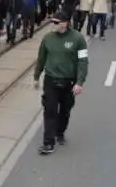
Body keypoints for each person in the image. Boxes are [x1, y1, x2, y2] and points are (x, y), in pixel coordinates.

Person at [33, 10, 89, 155]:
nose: (53, 24)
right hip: (51, 80)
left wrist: (80, 82)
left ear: (65, 24)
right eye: (52, 22)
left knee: (65, 111)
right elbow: (41, 58)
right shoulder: (47, 38)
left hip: (69, 82)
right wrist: (36, 76)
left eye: (56, 22)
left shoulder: (78, 39)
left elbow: (83, 61)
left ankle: (60, 131)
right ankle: (48, 143)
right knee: (50, 111)